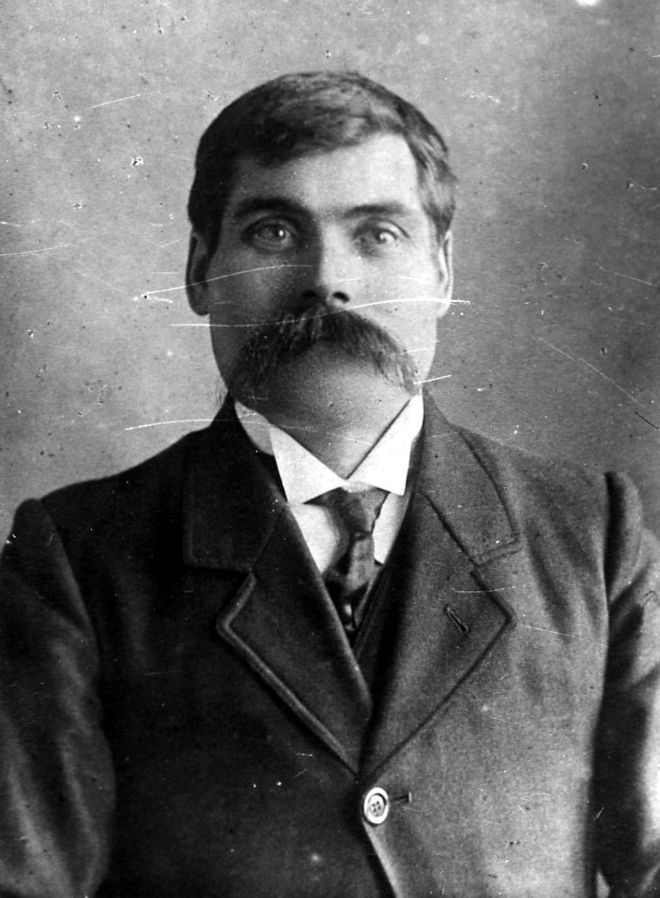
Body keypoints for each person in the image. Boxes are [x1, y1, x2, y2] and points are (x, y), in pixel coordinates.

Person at [1, 70, 659, 898]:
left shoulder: (592, 539)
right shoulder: (76, 560)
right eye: (275, 232)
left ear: (442, 270)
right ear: (200, 269)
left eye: (377, 233)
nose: (326, 281)